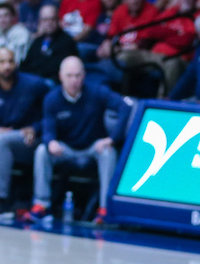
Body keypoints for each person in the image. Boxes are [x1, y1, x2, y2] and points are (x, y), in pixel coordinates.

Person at [31, 56, 132, 225]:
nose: (74, 80)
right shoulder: (52, 98)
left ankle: (105, 208)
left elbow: (124, 106)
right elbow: (48, 128)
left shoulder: (96, 92)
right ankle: (41, 205)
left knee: (109, 152)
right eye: (69, 76)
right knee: (42, 151)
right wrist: (50, 142)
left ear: (84, 76)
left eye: (77, 75)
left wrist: (113, 138)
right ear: (61, 76)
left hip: (93, 146)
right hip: (66, 148)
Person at [0, 47, 47, 212]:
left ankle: (2, 201)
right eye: (2, 62)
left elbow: (52, 112)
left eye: (10, 61)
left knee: (2, 141)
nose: (7, 66)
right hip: (5, 138)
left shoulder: (33, 85)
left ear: (17, 63)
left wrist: (35, 128)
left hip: (30, 140)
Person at [20, 5, 79, 81]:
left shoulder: (67, 41)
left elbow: (57, 68)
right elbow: (26, 63)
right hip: (34, 79)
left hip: (53, 82)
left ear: (58, 20)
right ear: (40, 22)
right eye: (45, 20)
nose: (49, 23)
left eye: (52, 19)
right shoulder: (37, 41)